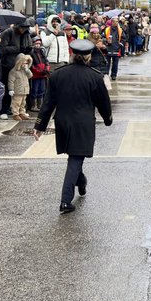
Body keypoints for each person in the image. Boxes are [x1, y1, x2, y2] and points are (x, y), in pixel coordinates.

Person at [34, 38, 112, 214]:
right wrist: (108, 119)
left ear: (71, 54)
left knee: (76, 157)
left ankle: (81, 182)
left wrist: (39, 125)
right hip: (83, 123)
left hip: (63, 121)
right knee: (75, 159)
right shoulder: (95, 76)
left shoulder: (57, 74)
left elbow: (48, 103)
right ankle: (65, 201)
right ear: (88, 56)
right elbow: (104, 103)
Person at [8, 53, 33, 120]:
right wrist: (11, 89)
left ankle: (22, 113)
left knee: (23, 103)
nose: (25, 65)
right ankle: (15, 114)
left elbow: (30, 76)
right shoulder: (14, 71)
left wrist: (27, 70)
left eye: (27, 63)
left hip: (24, 90)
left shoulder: (25, 71)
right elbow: (11, 81)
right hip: (17, 91)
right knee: (16, 103)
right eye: (24, 63)